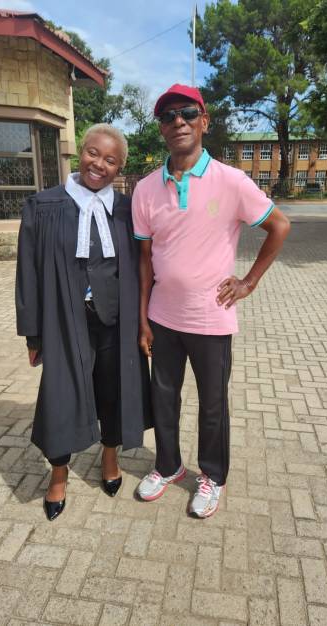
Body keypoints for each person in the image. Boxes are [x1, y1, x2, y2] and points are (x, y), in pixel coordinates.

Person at [133, 84, 290, 518]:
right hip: (162, 317)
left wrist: (249, 282)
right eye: (168, 116)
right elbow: (144, 258)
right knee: (163, 398)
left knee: (213, 404)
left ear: (204, 121)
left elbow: (279, 226)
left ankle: (213, 476)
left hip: (211, 318)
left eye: (187, 113)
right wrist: (143, 318)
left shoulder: (231, 180)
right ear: (161, 129)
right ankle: (168, 465)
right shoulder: (145, 189)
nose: (178, 122)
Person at [16, 123, 151, 521]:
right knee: (61, 397)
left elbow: (146, 266)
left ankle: (109, 456)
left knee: (112, 391)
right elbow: (28, 272)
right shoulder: (44, 206)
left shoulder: (127, 210)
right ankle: (58, 475)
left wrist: (146, 322)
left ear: (119, 167)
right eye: (93, 153)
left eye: (110, 160)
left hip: (115, 322)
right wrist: (33, 333)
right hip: (63, 321)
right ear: (81, 152)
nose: (99, 164)